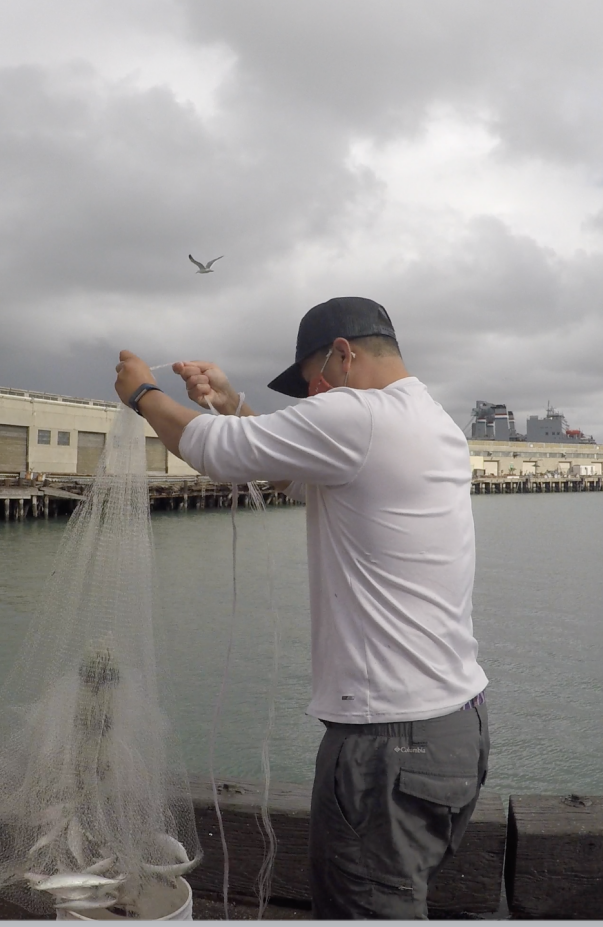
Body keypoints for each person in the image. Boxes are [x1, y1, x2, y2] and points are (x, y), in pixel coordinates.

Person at [115, 297, 489, 920]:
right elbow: (291, 469)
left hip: (387, 745)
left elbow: (218, 452)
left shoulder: (359, 415)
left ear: (345, 354)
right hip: (454, 731)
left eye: (314, 379)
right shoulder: (430, 420)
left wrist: (144, 394)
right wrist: (234, 404)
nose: (314, 395)